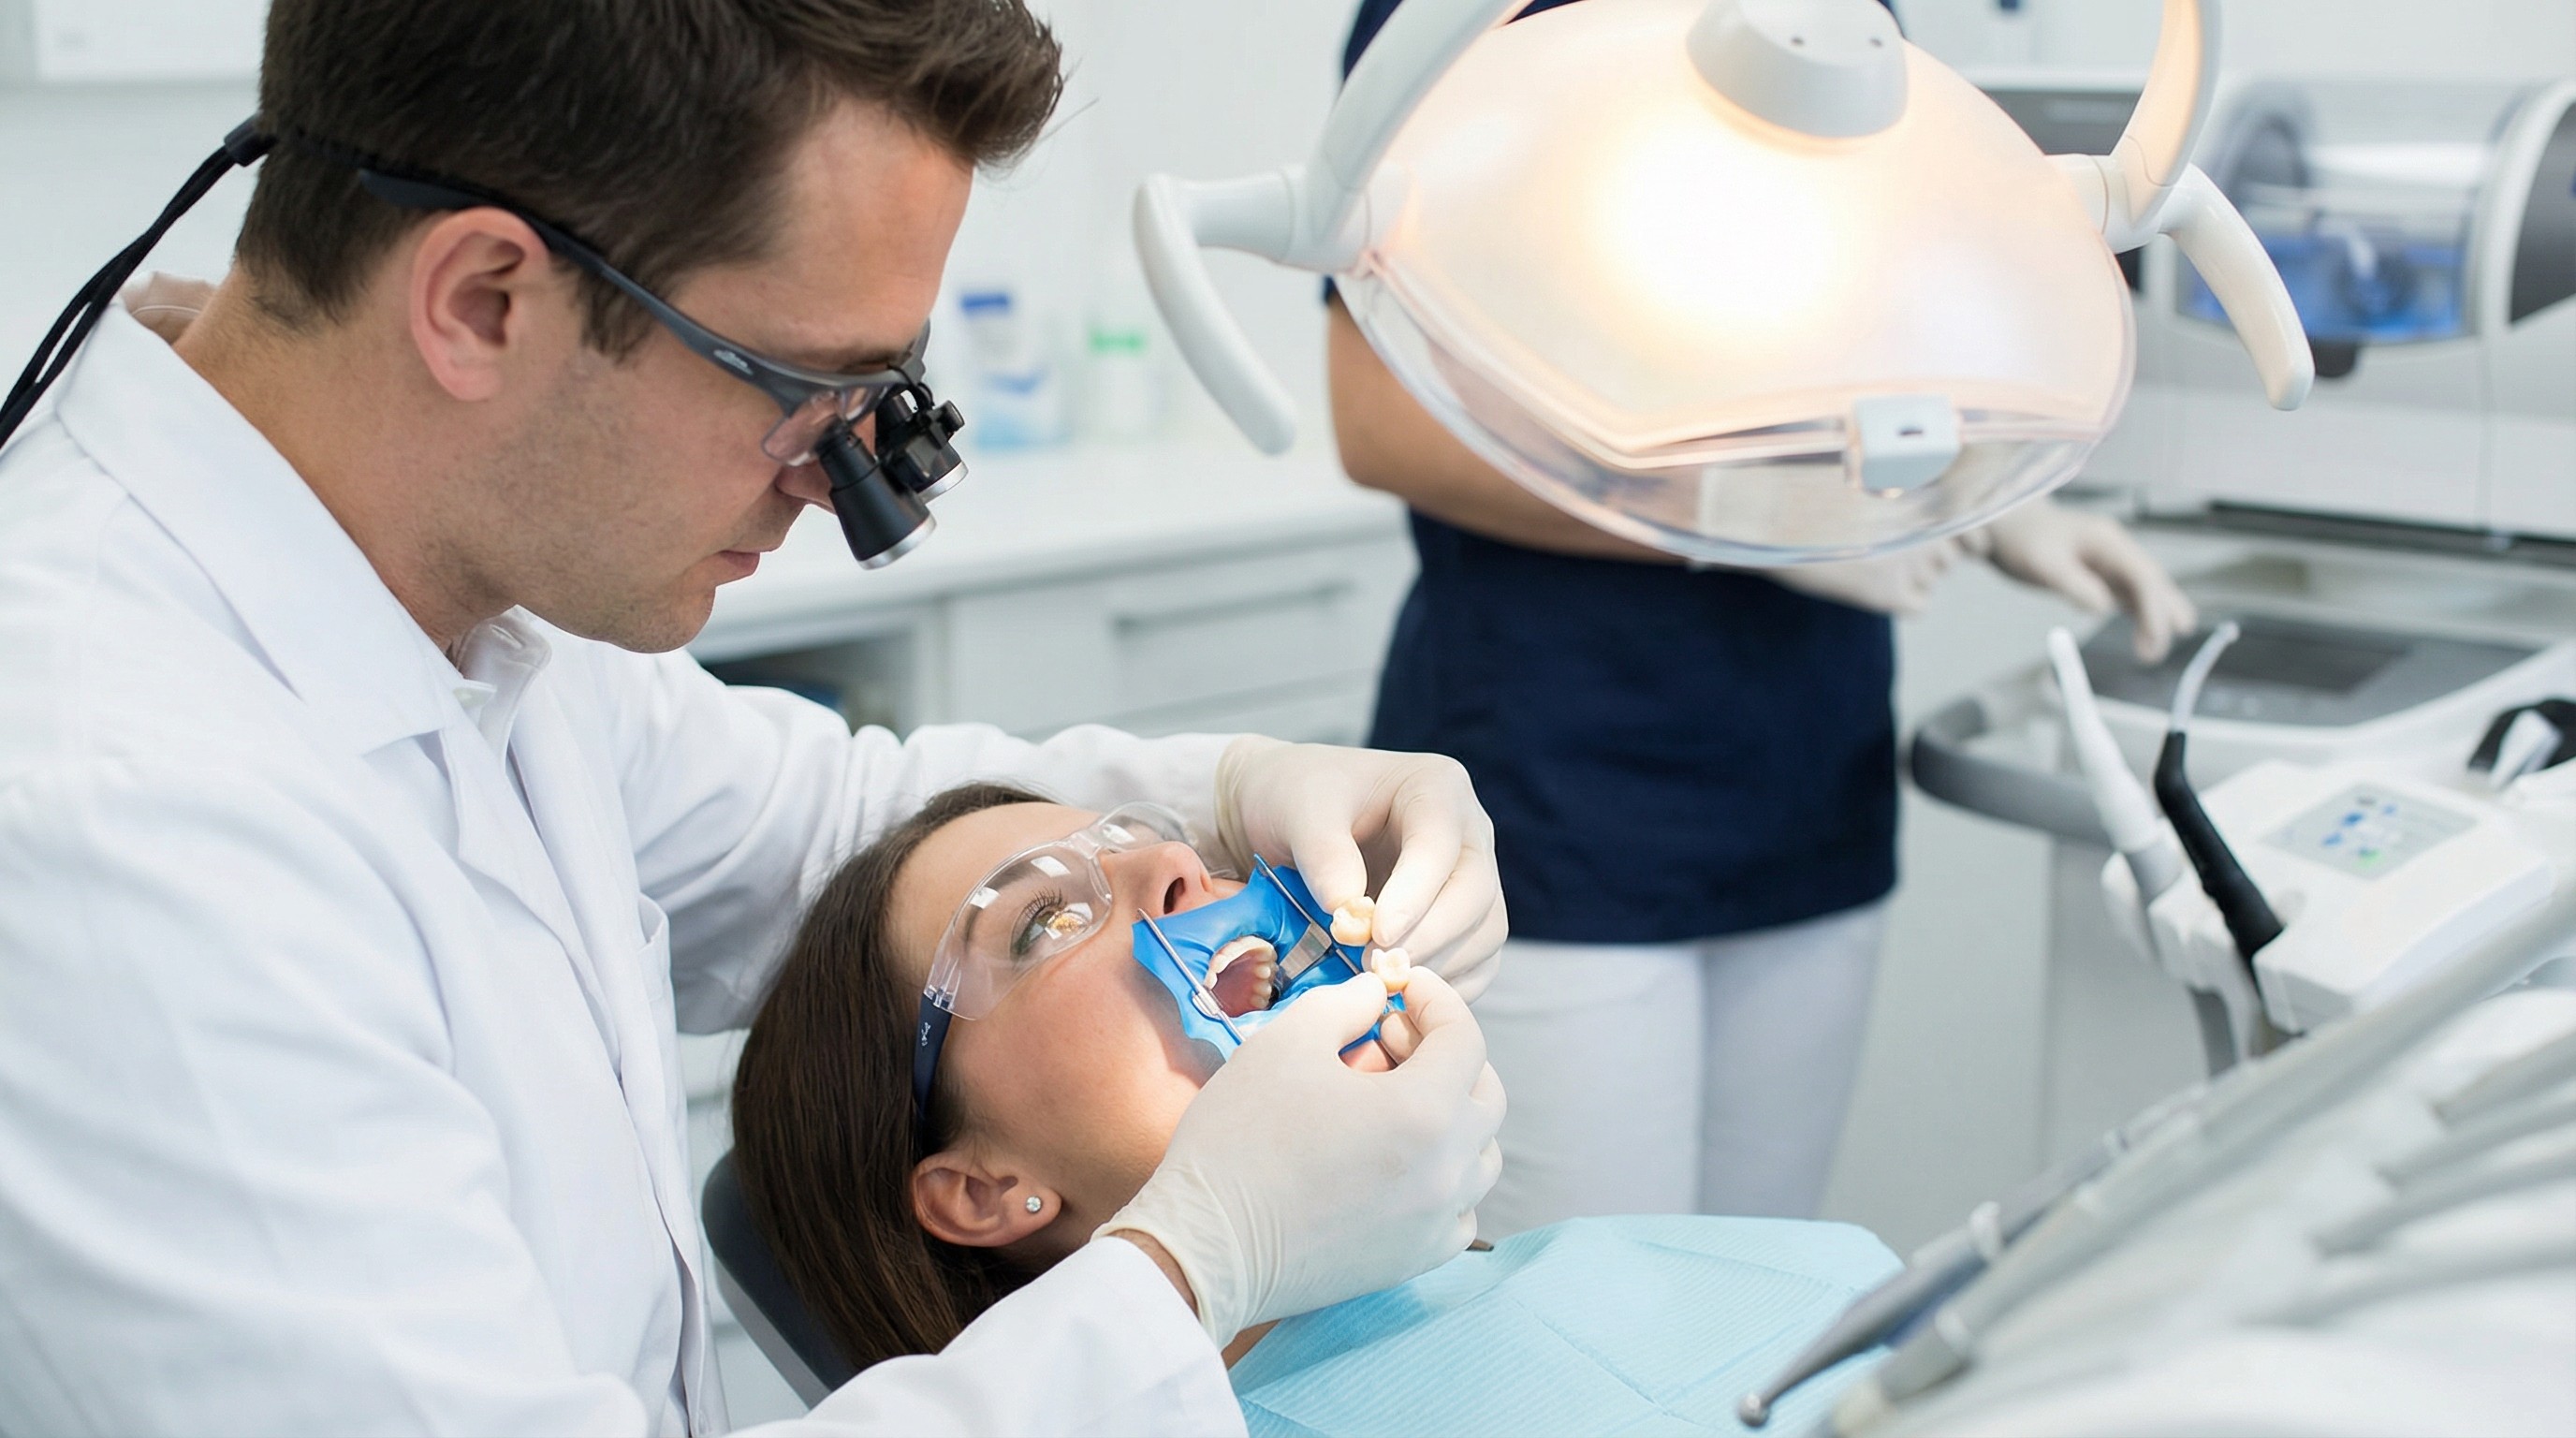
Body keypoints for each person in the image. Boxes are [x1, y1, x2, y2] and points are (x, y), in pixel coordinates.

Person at [0, 4, 1509, 1433]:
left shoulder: (453, 567)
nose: (841, 483)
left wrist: (1243, 784)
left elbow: (827, 842)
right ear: (482, 303)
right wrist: (1191, 1267)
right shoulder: (119, 820)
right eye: (803, 386)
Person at [1329, 0, 2201, 1233]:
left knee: (1753, 1302)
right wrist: (1729, 512)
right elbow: (1384, 424)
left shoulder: (1846, 16)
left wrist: (1981, 504)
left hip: (1803, 776)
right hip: (1555, 796)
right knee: (1581, 1334)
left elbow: (1873, 337)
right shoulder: (1472, 22)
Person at [728, 783, 1901, 1436]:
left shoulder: (1784, 1272)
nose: (1176, 875)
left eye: (1146, 836)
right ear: (984, 1188)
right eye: (1042, 923)